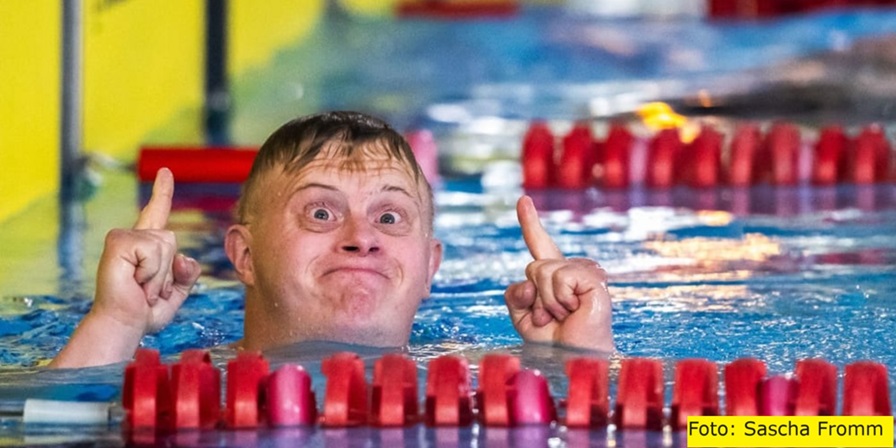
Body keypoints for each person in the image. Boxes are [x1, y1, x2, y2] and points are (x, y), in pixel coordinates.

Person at [50, 111, 614, 368]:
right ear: (244, 255)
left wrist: (585, 359)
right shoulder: (183, 386)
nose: (361, 238)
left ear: (429, 268)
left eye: (390, 218)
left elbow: (705, 431)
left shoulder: (485, 383)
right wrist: (115, 324)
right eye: (321, 212)